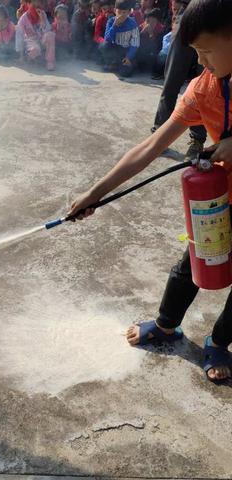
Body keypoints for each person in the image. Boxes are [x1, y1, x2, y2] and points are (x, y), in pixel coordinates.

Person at [68, 0, 232, 383]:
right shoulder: (203, 90)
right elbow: (150, 147)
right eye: (196, 53)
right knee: (191, 263)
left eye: (208, 51)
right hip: (221, 198)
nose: (202, 62)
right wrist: (96, 192)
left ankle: (219, 341)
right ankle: (165, 325)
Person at [151, 0, 207, 160]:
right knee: (171, 83)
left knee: (202, 88)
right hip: (188, 16)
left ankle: (197, 141)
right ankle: (158, 136)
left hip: (213, 19)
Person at [99, 0, 140, 76]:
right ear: (115, 11)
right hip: (116, 49)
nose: (121, 15)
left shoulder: (133, 24)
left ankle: (120, 64)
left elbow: (135, 43)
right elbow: (107, 39)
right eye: (119, 12)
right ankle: (112, 62)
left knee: (125, 73)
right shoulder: (111, 21)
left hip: (127, 50)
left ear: (128, 12)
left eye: (124, 12)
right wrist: (114, 26)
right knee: (103, 45)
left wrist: (128, 57)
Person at [16, 0, 56, 70]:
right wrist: (20, 56)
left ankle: (50, 61)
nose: (37, 5)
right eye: (34, 5)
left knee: (51, 35)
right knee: (35, 50)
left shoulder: (43, 14)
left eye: (39, 3)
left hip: (41, 39)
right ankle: (30, 58)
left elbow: (47, 30)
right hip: (31, 43)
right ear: (29, 4)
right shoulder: (24, 18)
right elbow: (19, 36)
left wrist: (42, 20)